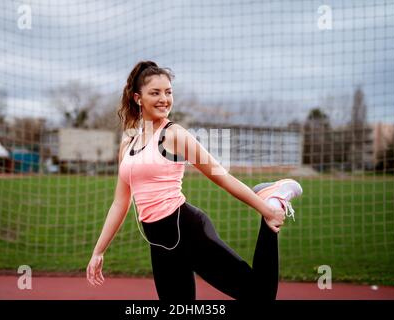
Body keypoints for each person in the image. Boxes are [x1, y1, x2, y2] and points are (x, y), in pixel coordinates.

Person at [86, 60, 302, 300]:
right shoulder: (128, 143)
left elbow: (221, 177)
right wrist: (99, 251)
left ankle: (272, 201)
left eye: (168, 92)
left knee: (260, 295)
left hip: (188, 230)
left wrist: (265, 211)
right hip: (159, 243)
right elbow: (120, 203)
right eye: (155, 93)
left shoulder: (173, 134)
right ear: (138, 98)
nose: (164, 99)